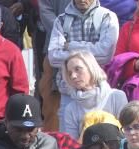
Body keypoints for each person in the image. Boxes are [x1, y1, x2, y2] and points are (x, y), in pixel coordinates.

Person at [46, 0, 119, 128]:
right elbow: (53, 57)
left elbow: (105, 54)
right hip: (68, 93)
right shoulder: (61, 21)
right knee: (68, 144)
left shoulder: (107, 17)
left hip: (99, 94)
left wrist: (72, 46)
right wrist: (92, 51)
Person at [59, 51, 128, 138]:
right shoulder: (71, 109)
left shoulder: (117, 96)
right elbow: (73, 146)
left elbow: (126, 134)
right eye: (70, 73)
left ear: (91, 68)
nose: (73, 76)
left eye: (77, 69)